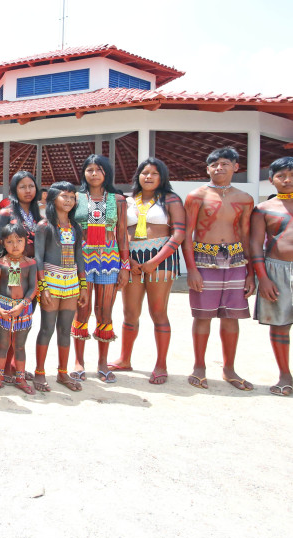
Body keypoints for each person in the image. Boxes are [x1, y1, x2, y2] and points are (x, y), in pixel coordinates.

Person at [184, 146, 255, 390]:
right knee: (202, 315)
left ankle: (229, 369)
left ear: (236, 167)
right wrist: (192, 269)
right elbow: (187, 234)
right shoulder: (197, 196)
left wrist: (251, 273)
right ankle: (199, 367)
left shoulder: (245, 199)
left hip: (236, 260)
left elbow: (246, 234)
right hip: (204, 259)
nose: (219, 168)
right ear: (207, 169)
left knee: (231, 316)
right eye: (214, 165)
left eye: (225, 163)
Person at [108, 158, 185, 383]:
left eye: (154, 173)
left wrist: (155, 260)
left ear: (162, 177)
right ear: (138, 176)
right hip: (131, 258)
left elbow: (179, 233)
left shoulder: (170, 199)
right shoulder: (128, 201)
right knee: (130, 313)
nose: (148, 177)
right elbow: (118, 232)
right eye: (144, 173)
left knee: (158, 312)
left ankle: (161, 364)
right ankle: (125, 359)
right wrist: (127, 260)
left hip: (161, 257)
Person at [71, 155, 130, 383]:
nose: (94, 173)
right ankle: (78, 362)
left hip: (109, 261)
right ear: (84, 173)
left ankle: (103, 363)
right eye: (89, 169)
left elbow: (122, 234)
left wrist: (124, 266)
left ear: (107, 172)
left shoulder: (118, 200)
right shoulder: (76, 198)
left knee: (105, 311)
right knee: (82, 310)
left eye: (99, 169)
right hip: (82, 261)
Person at [29, 182, 88, 393]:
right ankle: (39, 372)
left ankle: (63, 373)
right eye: (64, 196)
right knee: (47, 328)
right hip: (50, 281)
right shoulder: (44, 226)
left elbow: (79, 257)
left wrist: (83, 286)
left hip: (71, 282)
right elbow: (38, 257)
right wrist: (43, 286)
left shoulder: (75, 227)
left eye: (72, 197)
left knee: (65, 329)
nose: (69, 200)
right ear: (53, 199)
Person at [252, 157, 293, 396]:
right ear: (271, 180)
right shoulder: (263, 209)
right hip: (276, 270)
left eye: (292, 175)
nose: (287, 180)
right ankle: (285, 375)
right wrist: (263, 278)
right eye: (281, 176)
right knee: (280, 325)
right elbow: (255, 245)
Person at [0, 222, 37, 395]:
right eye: (9, 241)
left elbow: (33, 287)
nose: (15, 245)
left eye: (19, 240)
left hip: (23, 309)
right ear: (3, 243)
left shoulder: (30, 263)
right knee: (3, 344)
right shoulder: (0, 263)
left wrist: (22, 304)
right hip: (3, 308)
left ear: (25, 241)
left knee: (19, 346)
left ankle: (20, 378)